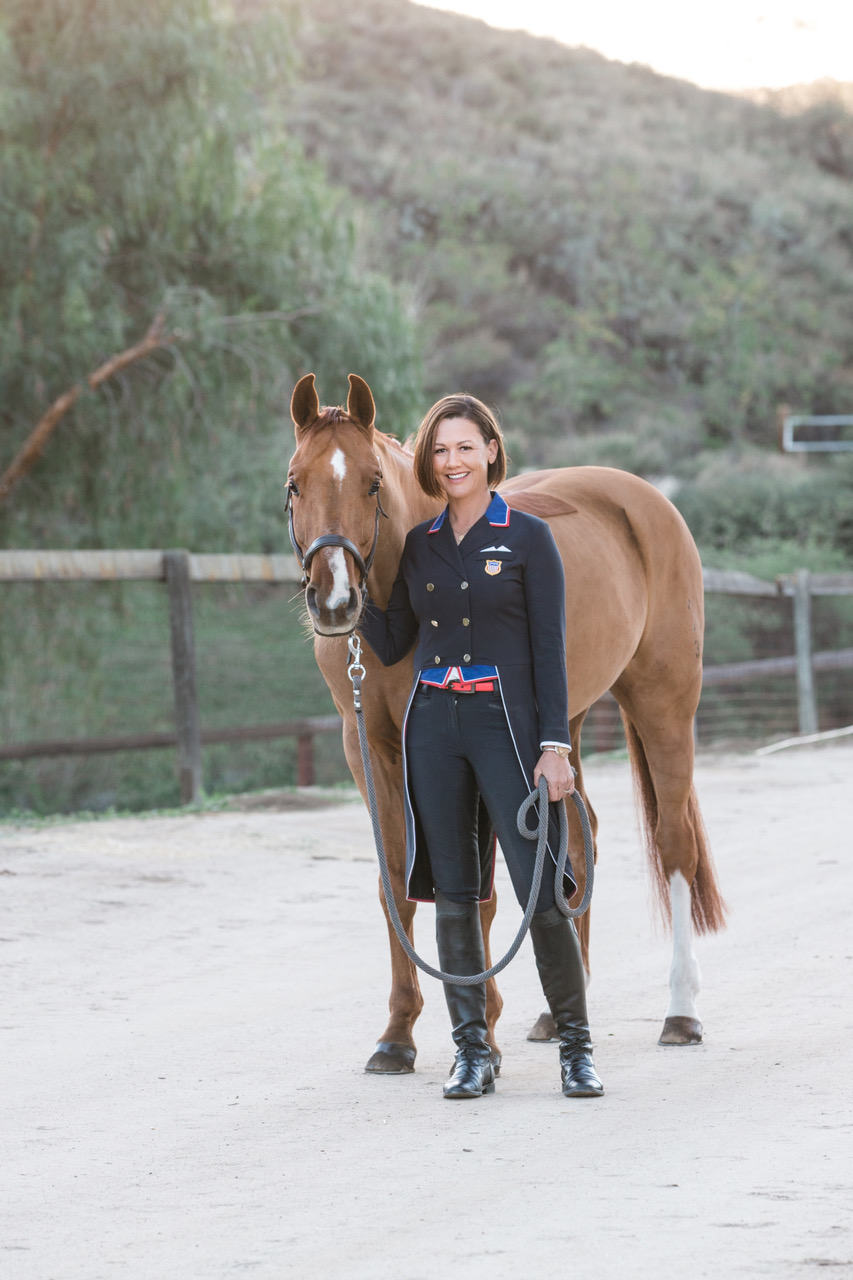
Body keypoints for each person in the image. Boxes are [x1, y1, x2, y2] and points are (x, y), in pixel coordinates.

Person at [359, 393, 603, 1102]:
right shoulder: (420, 545)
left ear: (491, 451)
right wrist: (341, 587)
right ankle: (471, 1053)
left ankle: (577, 1049)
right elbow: (393, 642)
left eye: (465, 447)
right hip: (435, 730)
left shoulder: (528, 538)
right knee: (454, 895)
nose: (452, 461)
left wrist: (554, 747)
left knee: (541, 892)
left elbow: (549, 649)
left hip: (509, 729)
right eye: (440, 450)